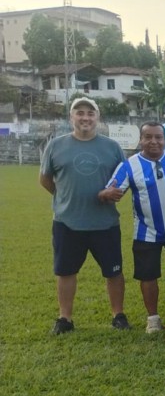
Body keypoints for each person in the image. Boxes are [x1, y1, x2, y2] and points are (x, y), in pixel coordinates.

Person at [103, 121, 165, 334]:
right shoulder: (129, 165)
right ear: (141, 140)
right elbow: (110, 190)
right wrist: (106, 194)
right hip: (146, 232)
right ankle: (153, 318)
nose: (154, 141)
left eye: (158, 137)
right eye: (148, 137)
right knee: (148, 276)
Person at [41, 97, 129, 334]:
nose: (85, 117)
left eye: (90, 113)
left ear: (97, 117)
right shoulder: (56, 145)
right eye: (79, 113)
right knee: (65, 271)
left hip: (105, 222)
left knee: (114, 271)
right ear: (71, 117)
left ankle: (118, 315)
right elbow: (45, 179)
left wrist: (112, 193)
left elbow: (124, 179)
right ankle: (65, 318)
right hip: (67, 222)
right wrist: (64, 197)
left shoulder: (112, 147)